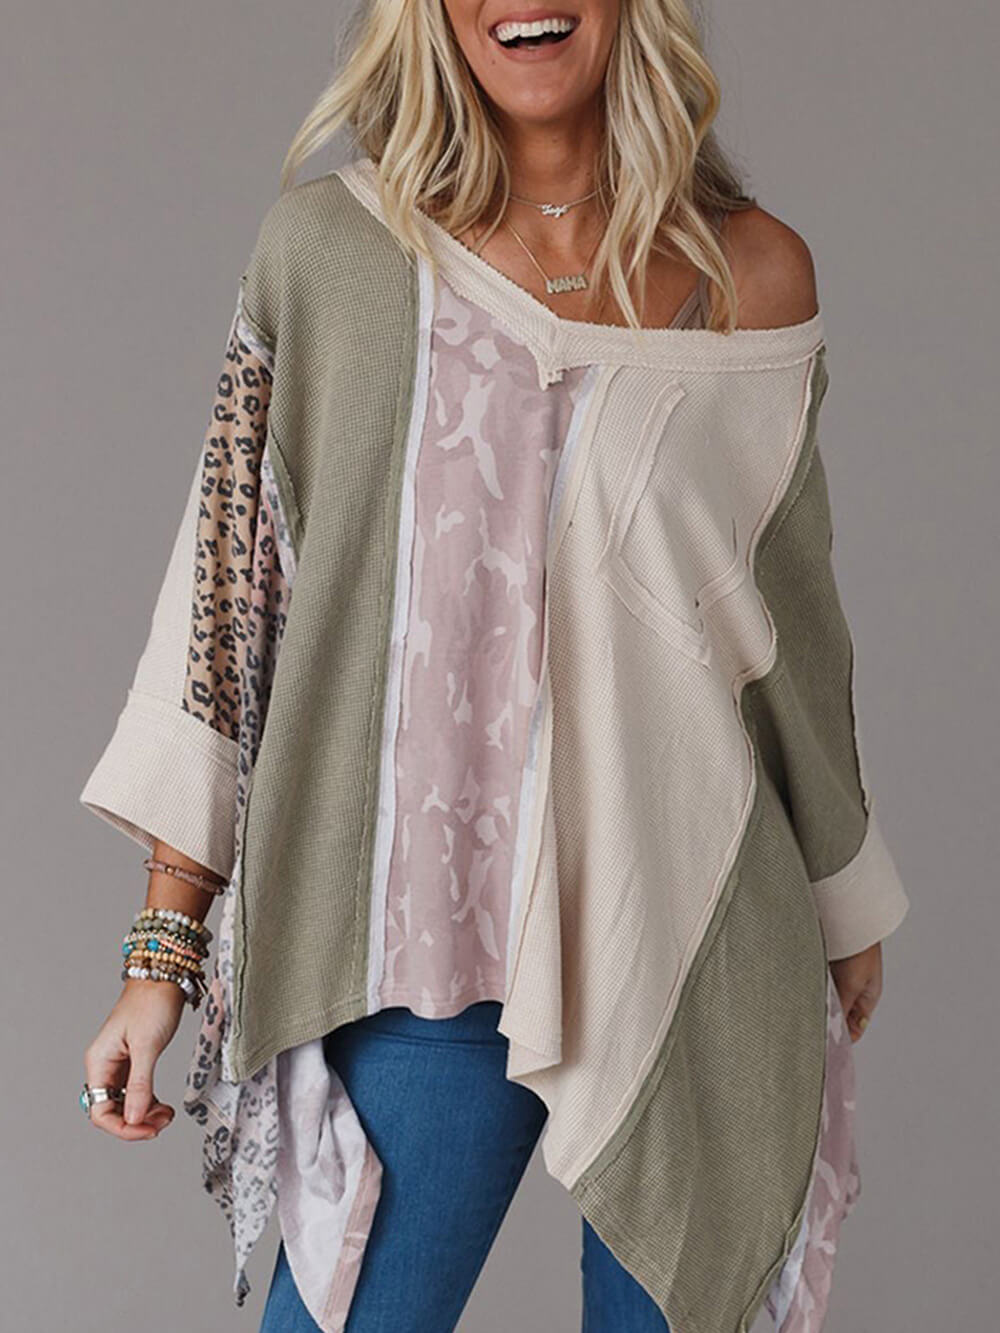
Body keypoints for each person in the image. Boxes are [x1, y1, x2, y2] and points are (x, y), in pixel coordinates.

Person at [78, 1, 911, 1330]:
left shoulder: (756, 273)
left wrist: (842, 897)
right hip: (426, 933)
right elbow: (233, 602)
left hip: (694, 941)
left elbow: (791, 625)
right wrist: (160, 951)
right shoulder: (333, 256)